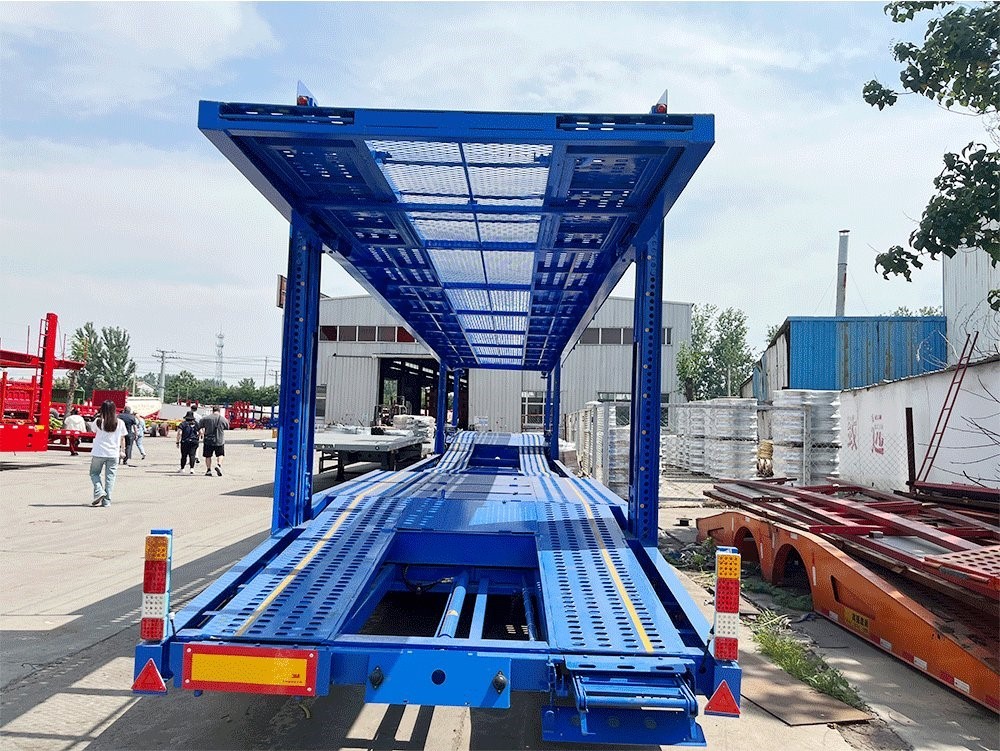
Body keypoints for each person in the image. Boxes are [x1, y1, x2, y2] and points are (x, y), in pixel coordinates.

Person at [89, 400, 127, 508]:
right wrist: (122, 451)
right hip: (113, 453)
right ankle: (107, 501)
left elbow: (93, 431)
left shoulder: (98, 421)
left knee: (94, 473)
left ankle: (99, 491)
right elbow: (122, 438)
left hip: (99, 452)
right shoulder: (120, 423)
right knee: (110, 477)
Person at [199, 406, 229, 476]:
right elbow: (227, 427)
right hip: (219, 440)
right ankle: (219, 465)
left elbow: (199, 426)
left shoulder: (206, 418)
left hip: (208, 440)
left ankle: (208, 470)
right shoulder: (223, 419)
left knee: (208, 456)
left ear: (212, 410)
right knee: (220, 454)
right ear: (219, 411)